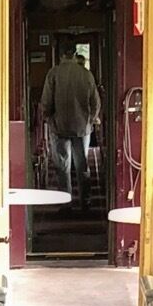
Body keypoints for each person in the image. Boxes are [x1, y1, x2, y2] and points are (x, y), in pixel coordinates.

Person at [38, 46, 101, 199]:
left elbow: (46, 102)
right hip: (82, 127)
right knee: (82, 164)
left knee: (62, 166)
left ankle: (66, 201)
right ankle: (86, 200)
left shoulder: (53, 74)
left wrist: (48, 118)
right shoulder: (86, 75)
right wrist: (90, 120)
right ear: (74, 55)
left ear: (61, 56)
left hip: (59, 127)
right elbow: (96, 103)